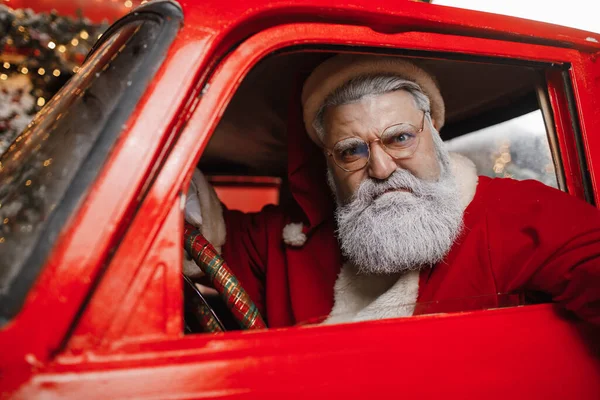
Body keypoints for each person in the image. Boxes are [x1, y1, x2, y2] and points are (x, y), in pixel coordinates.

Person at [184, 54, 600, 327]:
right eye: (351, 151)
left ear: (433, 136)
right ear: (329, 166)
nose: (381, 169)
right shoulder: (284, 241)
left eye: (400, 138)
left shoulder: (514, 213)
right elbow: (191, 228)